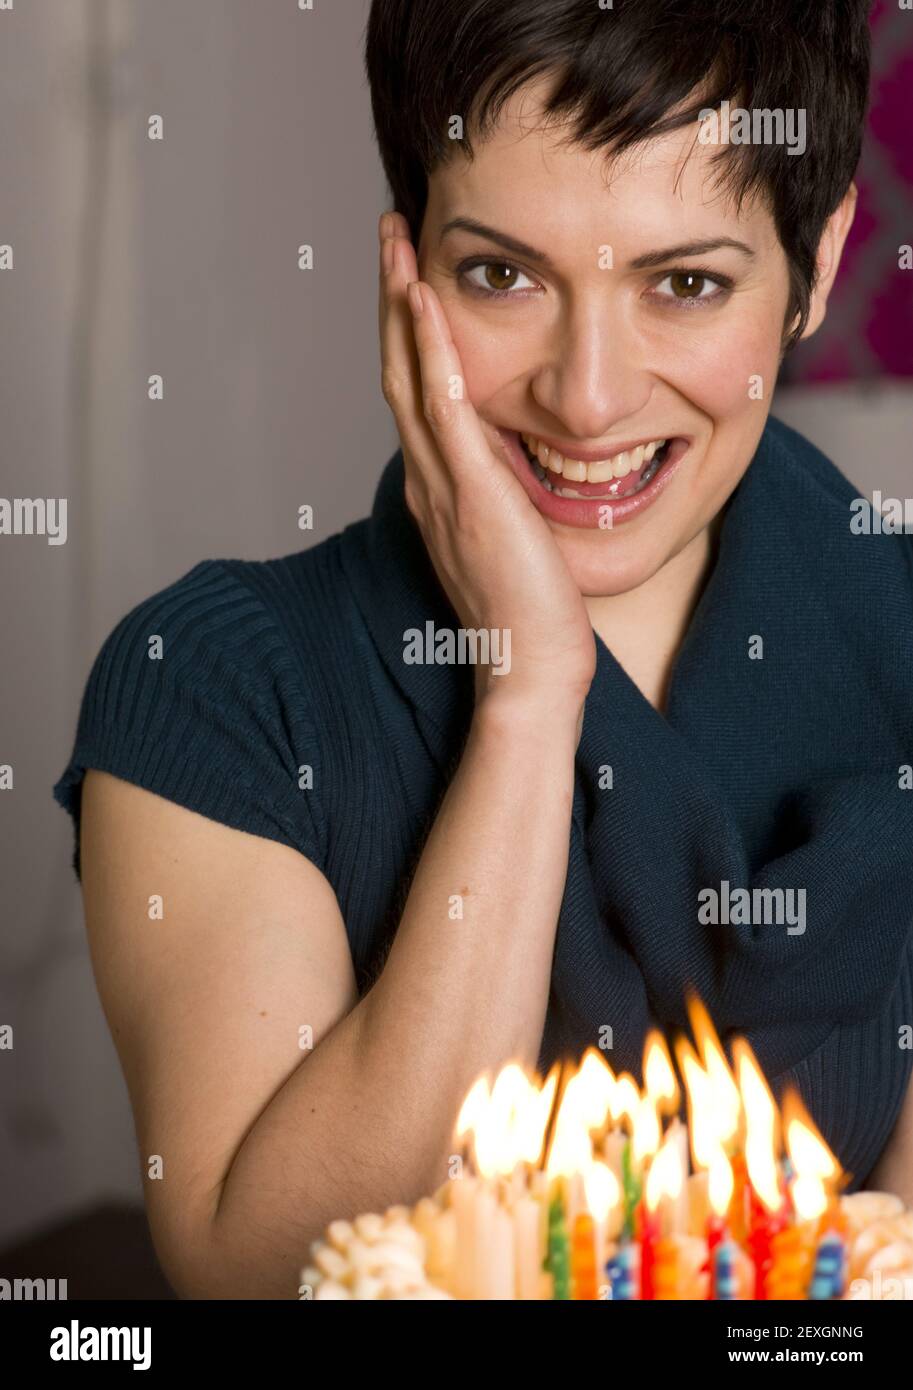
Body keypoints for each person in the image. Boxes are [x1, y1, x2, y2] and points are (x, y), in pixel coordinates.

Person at [53, 0, 913, 1299]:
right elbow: (267, 1277)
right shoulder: (217, 684)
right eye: (501, 274)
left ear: (818, 258)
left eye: (684, 283)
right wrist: (525, 697)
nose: (587, 392)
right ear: (405, 268)